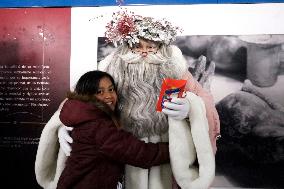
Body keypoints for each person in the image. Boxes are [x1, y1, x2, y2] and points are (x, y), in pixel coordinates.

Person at [35, 10, 219, 189]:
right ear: (126, 45)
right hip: (120, 143)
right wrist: (65, 126)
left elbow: (203, 98)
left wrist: (191, 108)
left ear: (161, 47)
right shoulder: (110, 66)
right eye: (137, 47)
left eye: (151, 47)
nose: (144, 53)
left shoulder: (175, 67)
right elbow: (79, 98)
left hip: (162, 144)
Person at [56, 70, 170, 189]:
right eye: (99, 92)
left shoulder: (87, 118)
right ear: (87, 95)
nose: (108, 96)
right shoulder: (99, 127)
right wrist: (176, 149)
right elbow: (141, 154)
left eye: (111, 89)